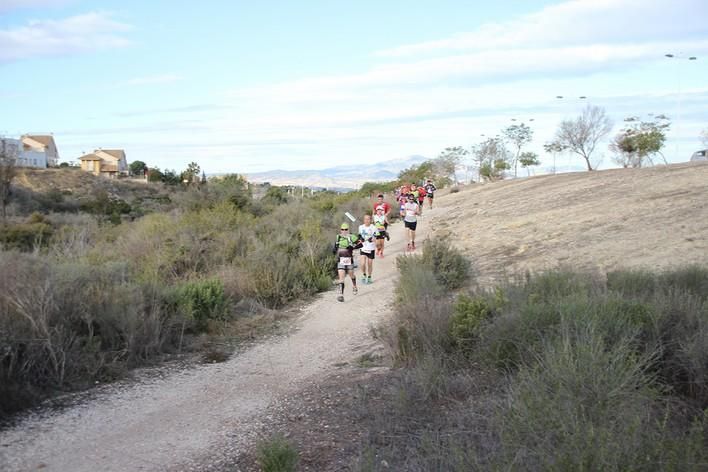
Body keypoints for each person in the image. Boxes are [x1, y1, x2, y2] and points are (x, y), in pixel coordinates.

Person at [332, 223, 361, 302]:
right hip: (340, 260)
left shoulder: (352, 237)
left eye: (346, 229)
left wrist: (353, 247)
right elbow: (335, 247)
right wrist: (334, 249)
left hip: (349, 260)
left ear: (348, 230)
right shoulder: (338, 237)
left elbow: (360, 244)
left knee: (351, 275)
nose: (344, 231)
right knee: (341, 278)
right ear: (340, 230)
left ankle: (354, 286)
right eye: (342, 229)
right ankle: (341, 295)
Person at [358, 214, 377, 284]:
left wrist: (372, 239)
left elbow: (375, 237)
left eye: (368, 219)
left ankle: (369, 277)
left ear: (371, 220)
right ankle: (364, 275)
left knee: (370, 264)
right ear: (363, 220)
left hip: (371, 248)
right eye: (365, 219)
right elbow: (359, 235)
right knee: (362, 264)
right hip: (363, 248)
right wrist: (360, 239)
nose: (366, 220)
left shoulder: (373, 227)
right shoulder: (360, 227)